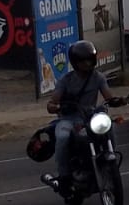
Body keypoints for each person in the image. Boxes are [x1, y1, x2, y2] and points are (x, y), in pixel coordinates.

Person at [43, 40, 121, 194]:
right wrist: (55, 106)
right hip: (69, 119)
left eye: (89, 59)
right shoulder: (66, 80)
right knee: (63, 137)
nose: (87, 63)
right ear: (75, 62)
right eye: (83, 61)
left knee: (109, 126)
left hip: (91, 117)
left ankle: (110, 158)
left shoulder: (98, 77)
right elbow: (52, 102)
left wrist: (119, 101)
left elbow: (108, 97)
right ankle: (64, 176)